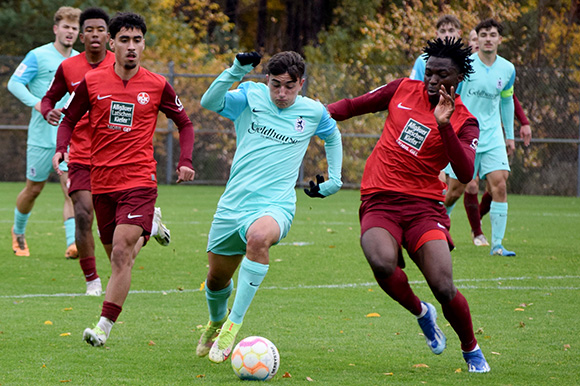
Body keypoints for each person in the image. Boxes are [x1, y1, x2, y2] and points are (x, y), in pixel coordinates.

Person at [327, 37, 491, 373]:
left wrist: (444, 125)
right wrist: (308, 114)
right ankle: (421, 313)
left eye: (441, 75)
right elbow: (351, 106)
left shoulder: (465, 121)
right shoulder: (402, 89)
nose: (431, 80)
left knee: (444, 287)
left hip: (424, 208)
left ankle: (471, 348)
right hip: (379, 200)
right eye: (429, 73)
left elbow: (463, 171)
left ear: (457, 78)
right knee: (382, 263)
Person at [52, 12, 195, 346]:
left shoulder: (157, 84)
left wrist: (185, 160)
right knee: (120, 254)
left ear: (144, 44)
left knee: (120, 253)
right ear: (112, 43)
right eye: (125, 40)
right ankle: (153, 226)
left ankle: (103, 326)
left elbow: (185, 123)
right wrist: (61, 148)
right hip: (103, 181)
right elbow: (68, 119)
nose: (132, 47)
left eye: (138, 40)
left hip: (140, 180)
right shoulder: (92, 82)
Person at [197, 51, 343, 364]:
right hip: (233, 203)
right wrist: (235, 70)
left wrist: (336, 178)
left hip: (276, 204)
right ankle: (216, 322)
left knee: (259, 238)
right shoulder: (251, 96)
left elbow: (333, 136)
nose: (281, 93)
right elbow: (209, 102)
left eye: (289, 86)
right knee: (216, 280)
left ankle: (232, 327)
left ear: (301, 83)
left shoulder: (313, 112)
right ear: (267, 80)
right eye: (275, 85)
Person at [41, 8, 172, 297]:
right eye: (89, 29)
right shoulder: (70, 68)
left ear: (108, 37)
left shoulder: (125, 61)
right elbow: (50, 98)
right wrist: (49, 111)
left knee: (118, 246)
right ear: (82, 34)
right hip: (80, 155)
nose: (95, 34)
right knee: (83, 213)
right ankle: (92, 280)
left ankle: (145, 226)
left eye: (101, 29)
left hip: (118, 162)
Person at [7, 6, 81, 258]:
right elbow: (14, 83)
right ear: (56, 29)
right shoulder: (37, 56)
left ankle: (73, 244)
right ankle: (18, 232)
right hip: (41, 136)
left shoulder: (80, 61)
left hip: (70, 137)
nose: (70, 32)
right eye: (66, 27)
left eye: (74, 28)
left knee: (71, 187)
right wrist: (38, 104)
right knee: (33, 189)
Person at [444, 19, 519, 256]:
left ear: (499, 39)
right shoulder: (465, 66)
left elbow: (507, 101)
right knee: (455, 190)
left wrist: (510, 135)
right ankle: (436, 227)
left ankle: (497, 245)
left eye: (492, 34)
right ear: (477, 38)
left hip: (493, 135)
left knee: (500, 184)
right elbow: (456, 99)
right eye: (483, 34)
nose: (488, 38)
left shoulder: (507, 69)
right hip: (466, 134)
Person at [409, 14, 462, 81]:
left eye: (451, 31)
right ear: (437, 34)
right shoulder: (423, 60)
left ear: (459, 33)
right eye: (443, 31)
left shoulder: (467, 62)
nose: (447, 35)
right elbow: (414, 85)